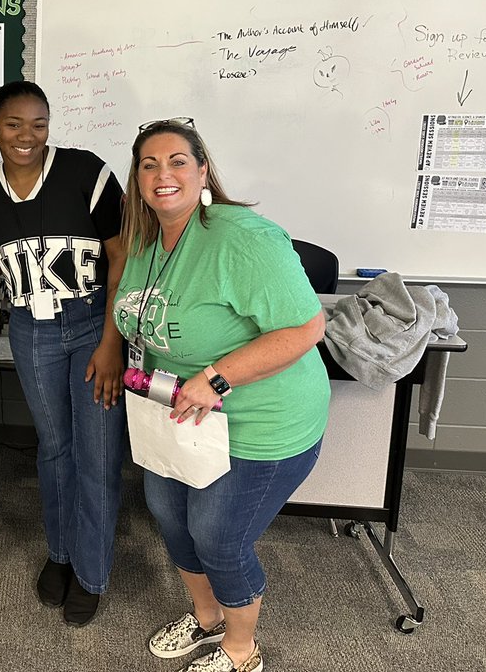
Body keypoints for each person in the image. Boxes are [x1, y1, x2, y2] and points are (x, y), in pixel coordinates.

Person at [113, 118, 330, 672]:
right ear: (137, 178)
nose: (163, 174)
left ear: (203, 169)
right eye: (149, 164)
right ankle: (206, 619)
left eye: (178, 161)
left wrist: (215, 378)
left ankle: (240, 650)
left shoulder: (243, 238)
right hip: (181, 417)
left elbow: (306, 329)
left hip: (262, 421)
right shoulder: (148, 238)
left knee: (218, 536)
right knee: (168, 513)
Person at [0, 81, 127, 627]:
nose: (27, 135)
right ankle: (60, 555)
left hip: (92, 328)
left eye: (39, 123)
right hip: (31, 333)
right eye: (14, 124)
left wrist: (112, 340)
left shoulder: (88, 173)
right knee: (55, 449)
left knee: (98, 454)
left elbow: (121, 255)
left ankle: (92, 574)